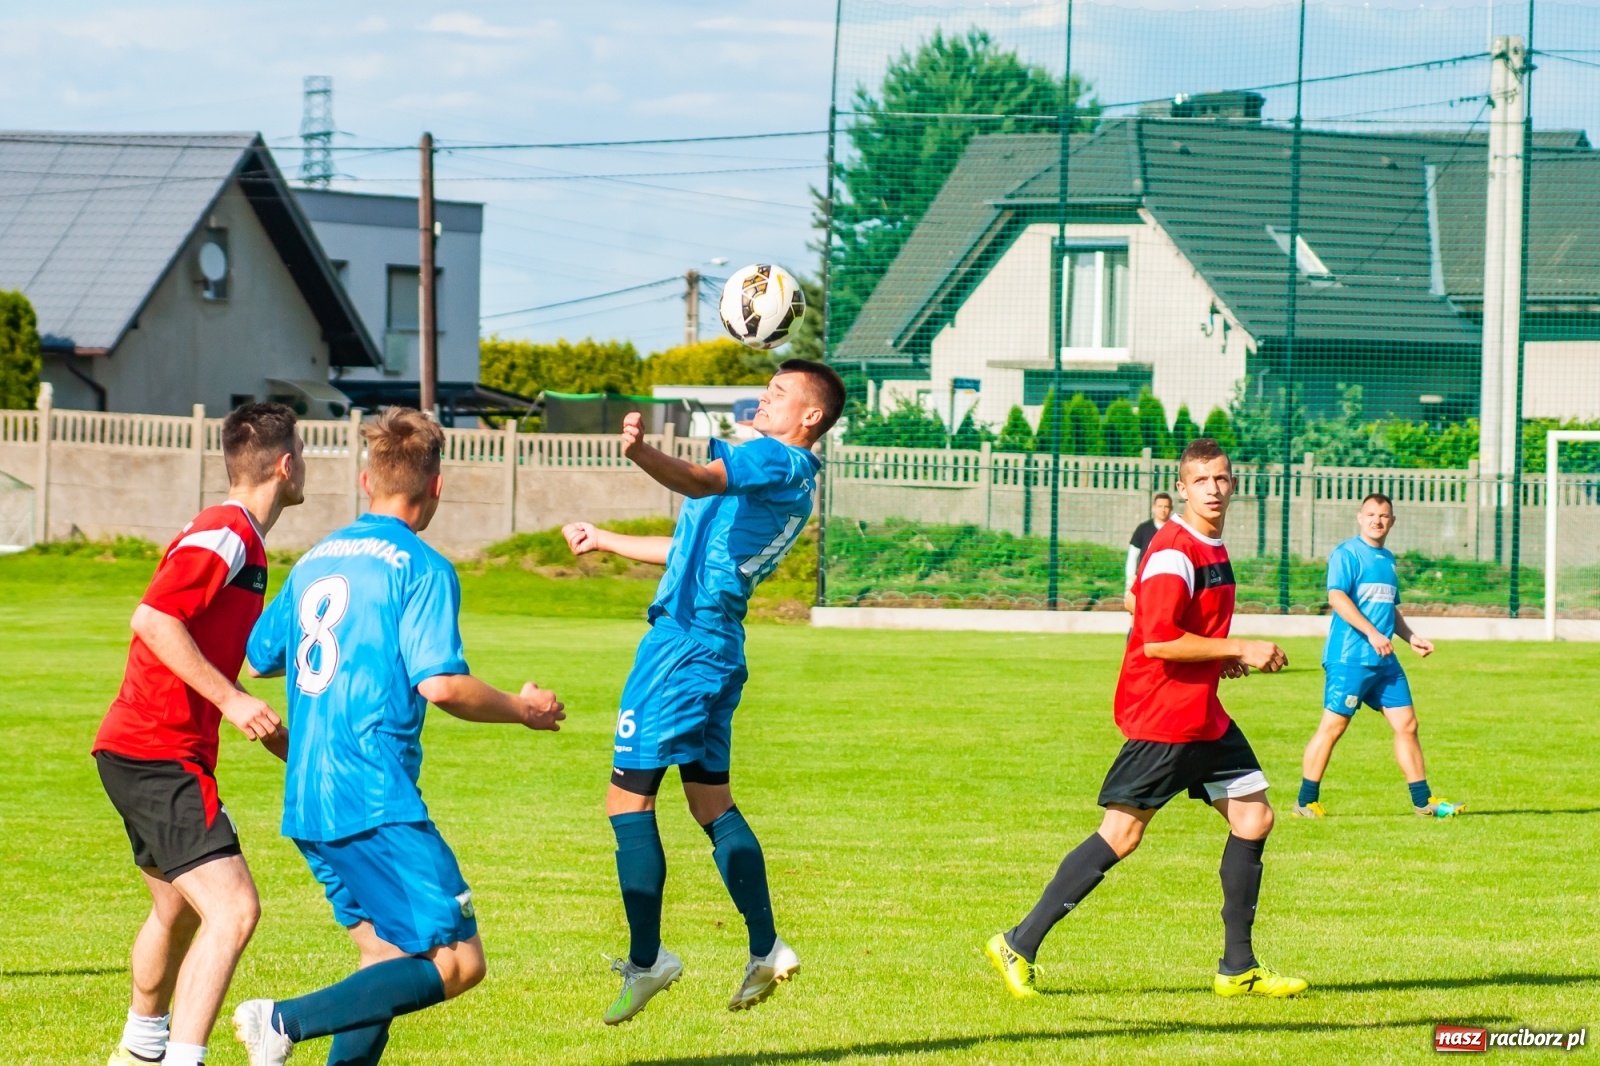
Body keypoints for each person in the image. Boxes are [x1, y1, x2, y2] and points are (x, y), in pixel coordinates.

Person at [232, 408, 565, 1066]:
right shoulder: (422, 567)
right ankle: (283, 1020)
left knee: (384, 957)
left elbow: (259, 657)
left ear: (367, 481)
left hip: (307, 796)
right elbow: (441, 685)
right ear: (436, 486)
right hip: (373, 796)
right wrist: (523, 709)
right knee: (458, 961)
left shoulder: (316, 559)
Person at [560, 358, 845, 1025]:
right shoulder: (786, 477)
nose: (763, 400)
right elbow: (690, 546)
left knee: (627, 798)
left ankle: (648, 960)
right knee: (711, 802)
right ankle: (766, 946)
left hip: (682, 647)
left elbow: (698, 477)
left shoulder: (772, 458)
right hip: (716, 646)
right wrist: (605, 539)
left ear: (810, 417)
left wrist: (641, 453)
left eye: (778, 393)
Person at [986, 437, 1308, 1000]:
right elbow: (1158, 640)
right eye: (1201, 480)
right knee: (1122, 834)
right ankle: (1018, 941)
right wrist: (1239, 647)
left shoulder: (1211, 545)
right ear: (1181, 488)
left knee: (1254, 818)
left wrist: (1218, 657)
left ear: (1234, 484)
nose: (1213, 489)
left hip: (1202, 714)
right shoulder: (1174, 550)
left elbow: (1173, 621)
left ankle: (1237, 968)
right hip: (1165, 715)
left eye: (1221, 478)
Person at [95, 403, 305, 1066]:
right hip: (157, 750)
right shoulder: (228, 529)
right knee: (234, 910)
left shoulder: (241, 540)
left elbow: (216, 646)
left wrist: (265, 723)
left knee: (178, 910)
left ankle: (140, 1050)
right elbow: (154, 620)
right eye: (303, 455)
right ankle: (182, 1059)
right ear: (286, 465)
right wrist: (233, 699)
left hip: (140, 748)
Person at [1295, 493, 1463, 819]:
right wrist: (1372, 633)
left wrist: (1411, 637)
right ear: (1360, 517)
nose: (1377, 520)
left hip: (1384, 662)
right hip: (1351, 658)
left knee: (1408, 725)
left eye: (1383, 516)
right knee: (1333, 727)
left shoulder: (1387, 560)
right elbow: (1337, 597)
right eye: (1371, 514)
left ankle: (1423, 801)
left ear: (1392, 521)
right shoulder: (1347, 553)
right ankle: (1305, 802)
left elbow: (1389, 608)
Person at [1123, 492, 1173, 613]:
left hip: (1168, 581)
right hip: (1145, 580)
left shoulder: (1175, 530)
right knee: (1139, 615)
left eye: (1166, 506)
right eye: (1160, 506)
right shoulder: (1143, 529)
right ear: (1153, 508)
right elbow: (1132, 556)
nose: (1163, 510)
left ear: (1171, 509)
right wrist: (1130, 581)